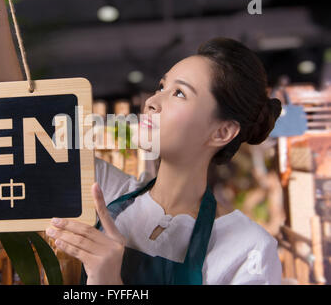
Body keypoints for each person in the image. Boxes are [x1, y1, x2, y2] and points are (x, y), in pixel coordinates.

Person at [45, 37, 283, 285]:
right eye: (161, 87)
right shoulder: (104, 191)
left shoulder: (249, 251)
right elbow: (17, 122)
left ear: (221, 132)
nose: (151, 102)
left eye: (179, 93)